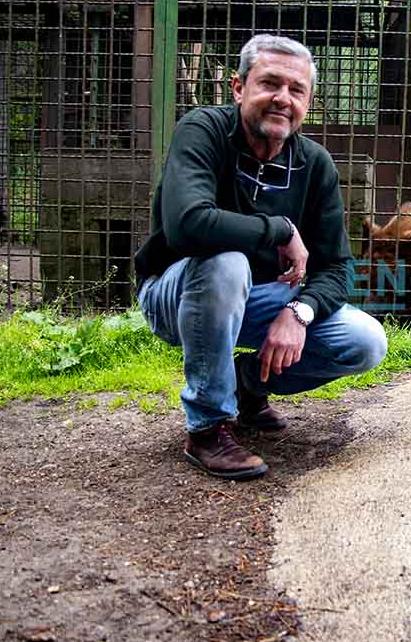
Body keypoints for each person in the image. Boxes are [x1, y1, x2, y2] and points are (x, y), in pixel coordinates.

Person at [134, 34, 388, 481]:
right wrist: (280, 229)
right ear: (238, 88)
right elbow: (188, 224)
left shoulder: (315, 164)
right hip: (175, 295)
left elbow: (336, 265)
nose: (282, 99)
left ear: (308, 101)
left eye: (296, 90)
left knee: (365, 341)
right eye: (269, 83)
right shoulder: (203, 130)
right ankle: (208, 425)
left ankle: (245, 383)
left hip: (259, 297)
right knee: (226, 262)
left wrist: (299, 311)